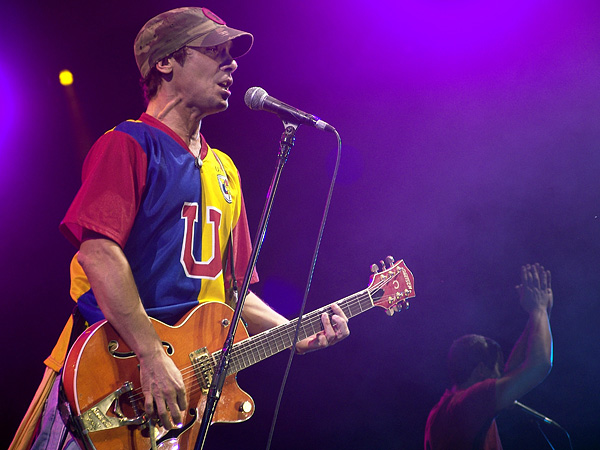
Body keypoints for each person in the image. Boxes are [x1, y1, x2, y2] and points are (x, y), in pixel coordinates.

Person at [16, 7, 349, 450]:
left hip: (176, 395)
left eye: (231, 55)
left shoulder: (225, 172)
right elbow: (98, 253)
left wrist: (294, 333)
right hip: (108, 378)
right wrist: (152, 354)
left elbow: (233, 290)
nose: (231, 64)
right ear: (165, 62)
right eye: (214, 51)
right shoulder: (129, 143)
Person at [424, 263, 553, 450]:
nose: (503, 374)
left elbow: (512, 372)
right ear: (482, 371)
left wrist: (542, 315)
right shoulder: (470, 401)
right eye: (498, 367)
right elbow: (539, 365)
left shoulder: (449, 408)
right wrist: (539, 310)